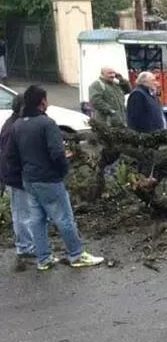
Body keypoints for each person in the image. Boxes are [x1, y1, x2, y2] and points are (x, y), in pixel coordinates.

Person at [8, 85, 103, 270]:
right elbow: (57, 153)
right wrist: (61, 171)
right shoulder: (47, 123)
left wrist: (25, 171)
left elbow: (11, 155)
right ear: (42, 101)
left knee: (37, 219)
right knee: (64, 218)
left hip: (29, 179)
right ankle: (76, 254)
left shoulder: (17, 125)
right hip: (48, 178)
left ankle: (43, 258)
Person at [1, 94, 32, 269]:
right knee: (22, 213)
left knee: (23, 212)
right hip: (16, 178)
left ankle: (27, 244)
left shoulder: (14, 124)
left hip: (16, 176)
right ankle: (25, 247)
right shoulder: (12, 128)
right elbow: (9, 156)